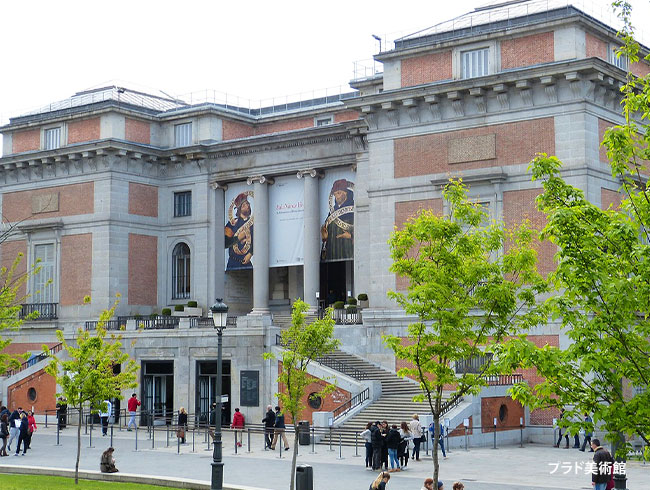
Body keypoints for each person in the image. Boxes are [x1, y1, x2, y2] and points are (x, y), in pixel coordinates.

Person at [321, 178, 354, 261]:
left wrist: (351, 236)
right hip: (333, 253)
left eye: (339, 193)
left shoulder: (354, 209)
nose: (337, 197)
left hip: (348, 252)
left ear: (345, 193)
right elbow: (326, 234)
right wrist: (325, 237)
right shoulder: (332, 212)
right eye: (335, 194)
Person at [225, 192, 254, 270]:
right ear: (239, 208)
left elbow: (258, 241)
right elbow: (225, 243)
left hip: (246, 264)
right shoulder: (232, 224)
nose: (247, 206)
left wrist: (250, 254)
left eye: (248, 204)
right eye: (244, 205)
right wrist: (238, 238)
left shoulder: (253, 224)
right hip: (233, 263)